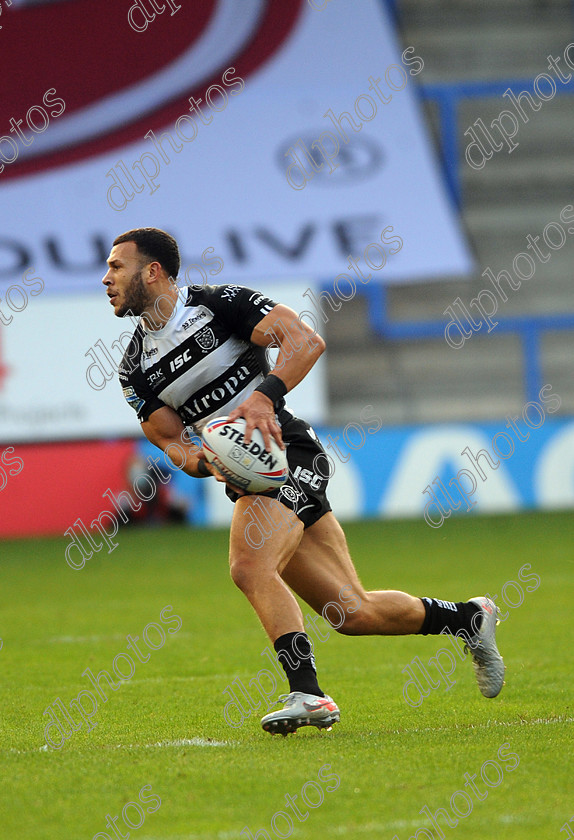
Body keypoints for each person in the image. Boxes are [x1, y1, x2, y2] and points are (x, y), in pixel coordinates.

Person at [102, 227, 505, 736]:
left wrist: (264, 396)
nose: (107, 277)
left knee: (250, 567)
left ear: (153, 271)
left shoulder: (219, 305)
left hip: (291, 453)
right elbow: (169, 440)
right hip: (250, 477)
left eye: (117, 266)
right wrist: (207, 462)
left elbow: (305, 341)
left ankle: (310, 695)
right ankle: (468, 618)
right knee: (350, 611)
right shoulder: (133, 367)